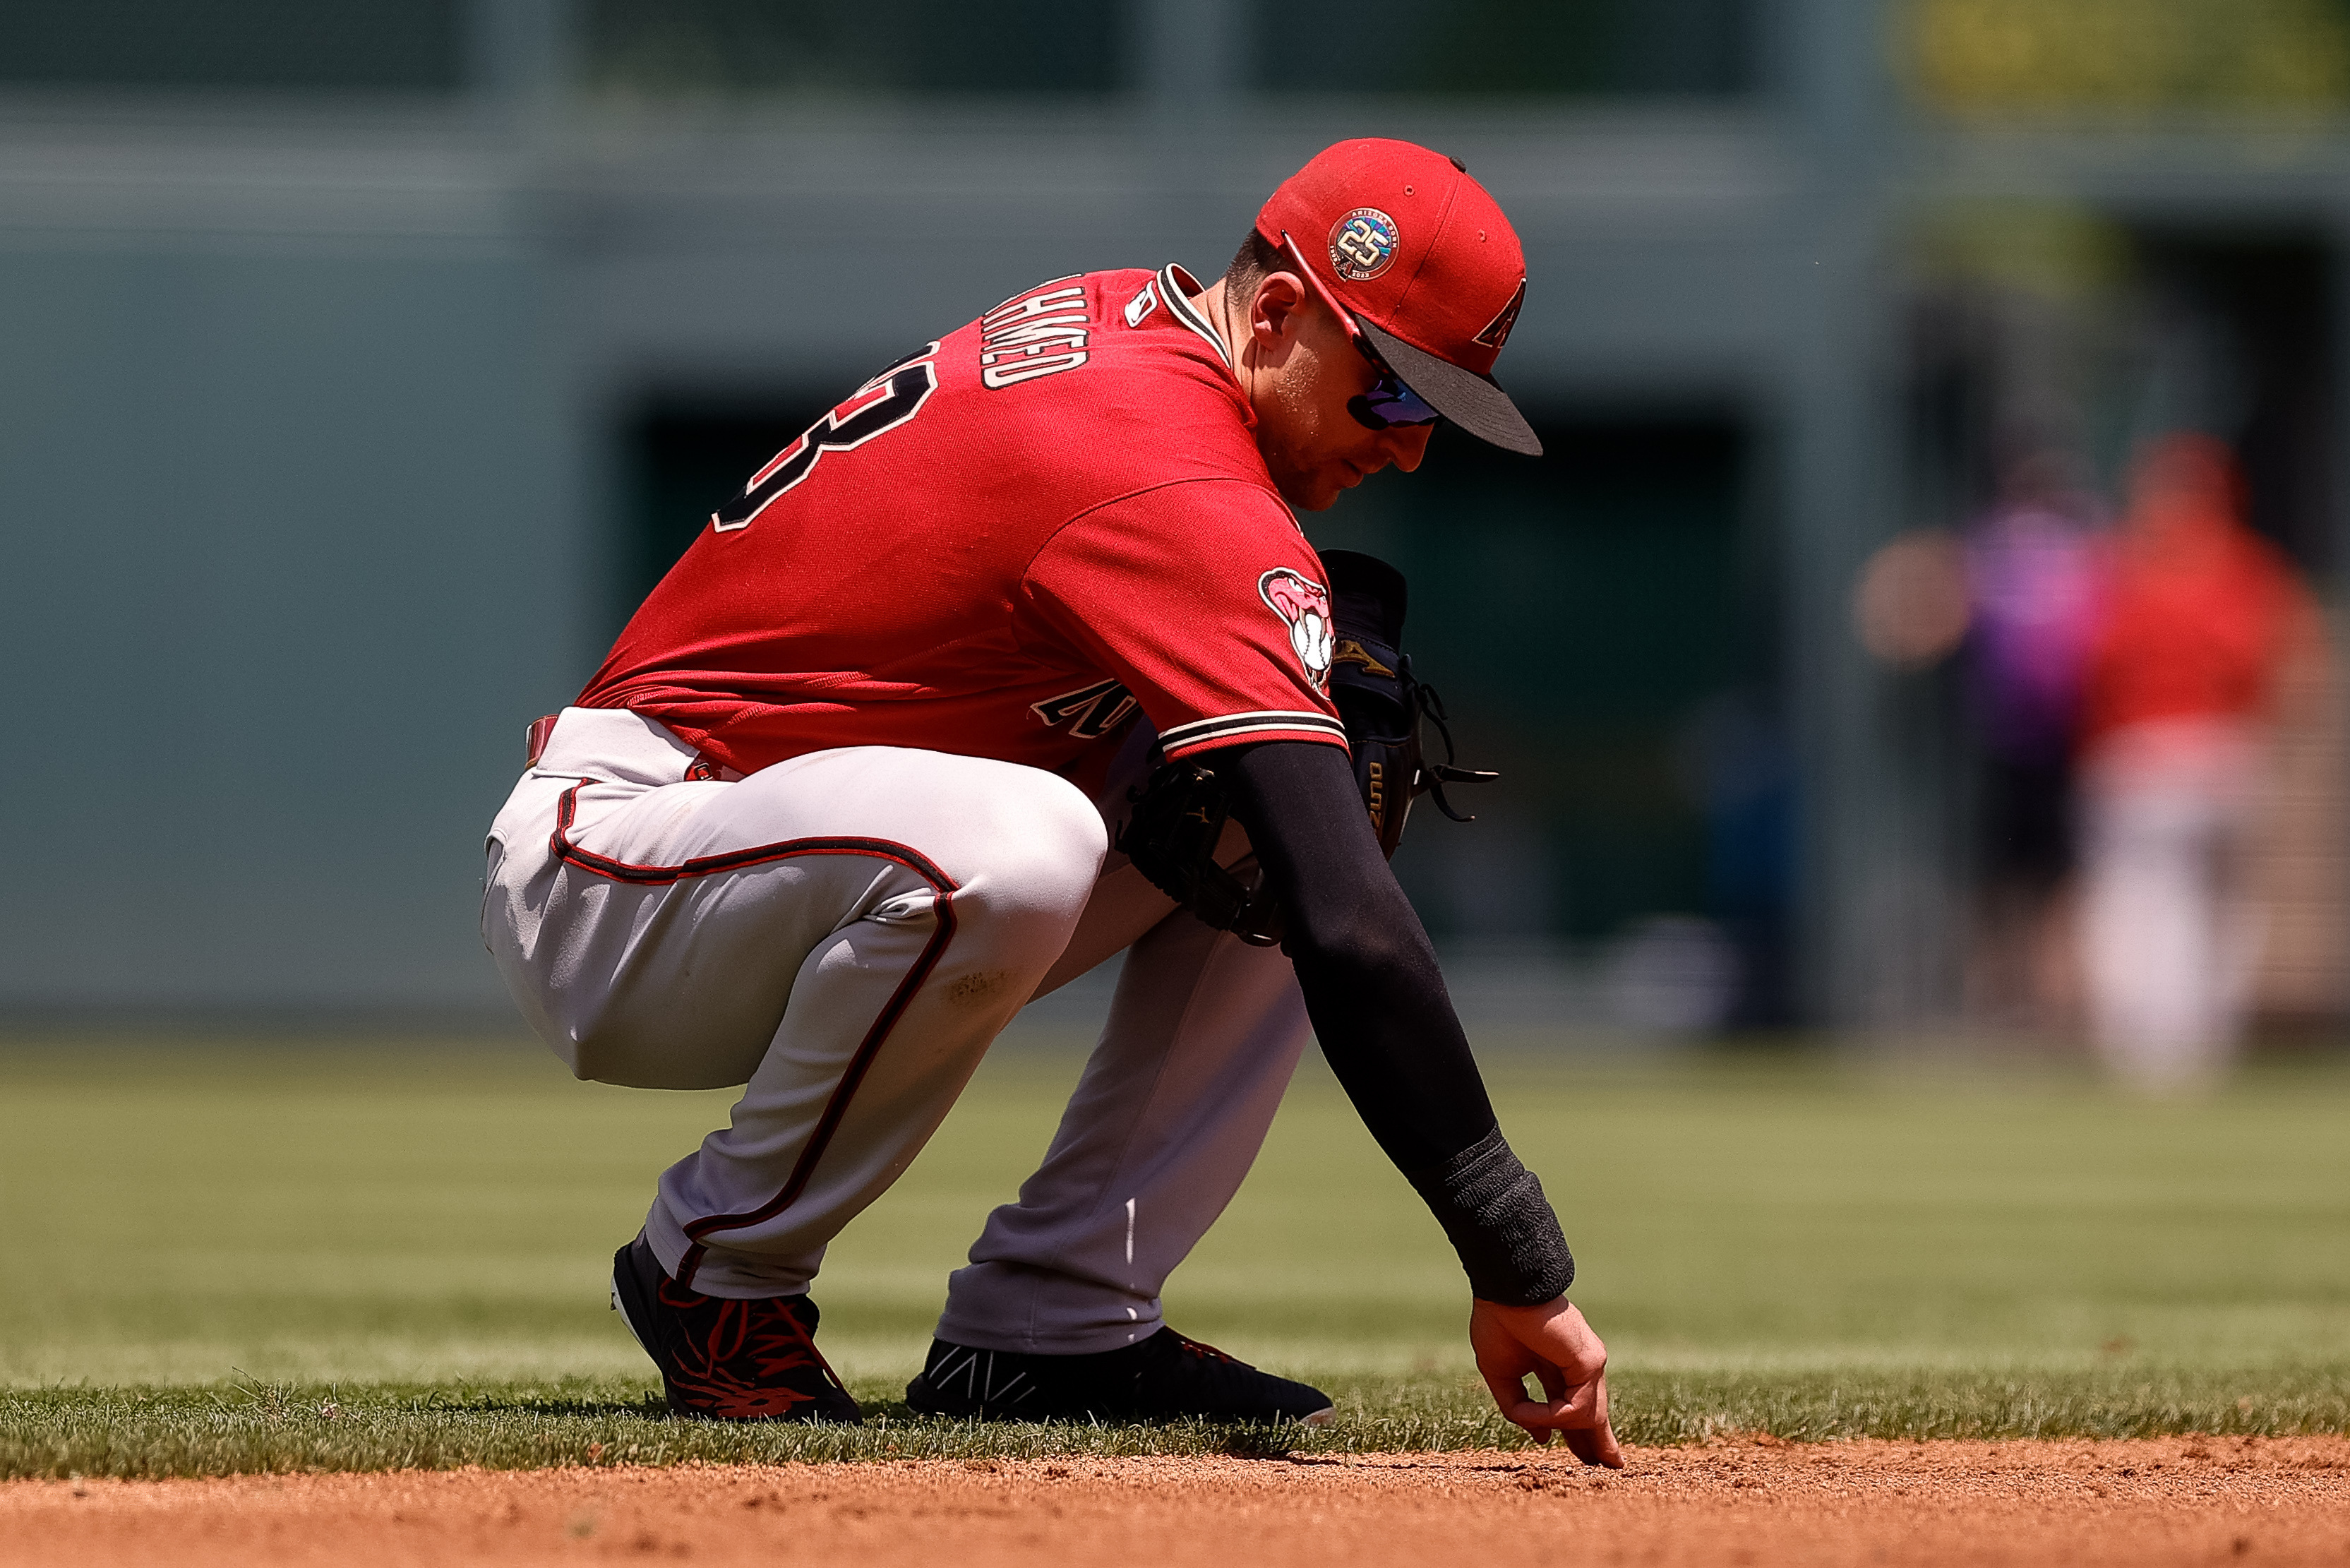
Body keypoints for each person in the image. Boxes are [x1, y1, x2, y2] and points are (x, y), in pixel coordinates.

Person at [481, 139, 1621, 1464]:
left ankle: (1055, 1316)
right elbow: (1354, 931)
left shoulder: (1143, 327)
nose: (1411, 450)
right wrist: (1514, 1255)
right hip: (618, 862)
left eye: (1436, 414)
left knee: (1290, 804)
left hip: (778, 852)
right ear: (1275, 313)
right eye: (1388, 399)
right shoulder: (1163, 460)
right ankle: (714, 1272)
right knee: (1065, 843)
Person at [2074, 433, 2321, 1089]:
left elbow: (2088, 663)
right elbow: (2287, 663)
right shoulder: (2244, 567)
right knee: (2194, 905)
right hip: (2209, 749)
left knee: (2150, 901)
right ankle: (2190, 1043)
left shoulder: (2131, 566)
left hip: (2152, 750)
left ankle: (2154, 1046)